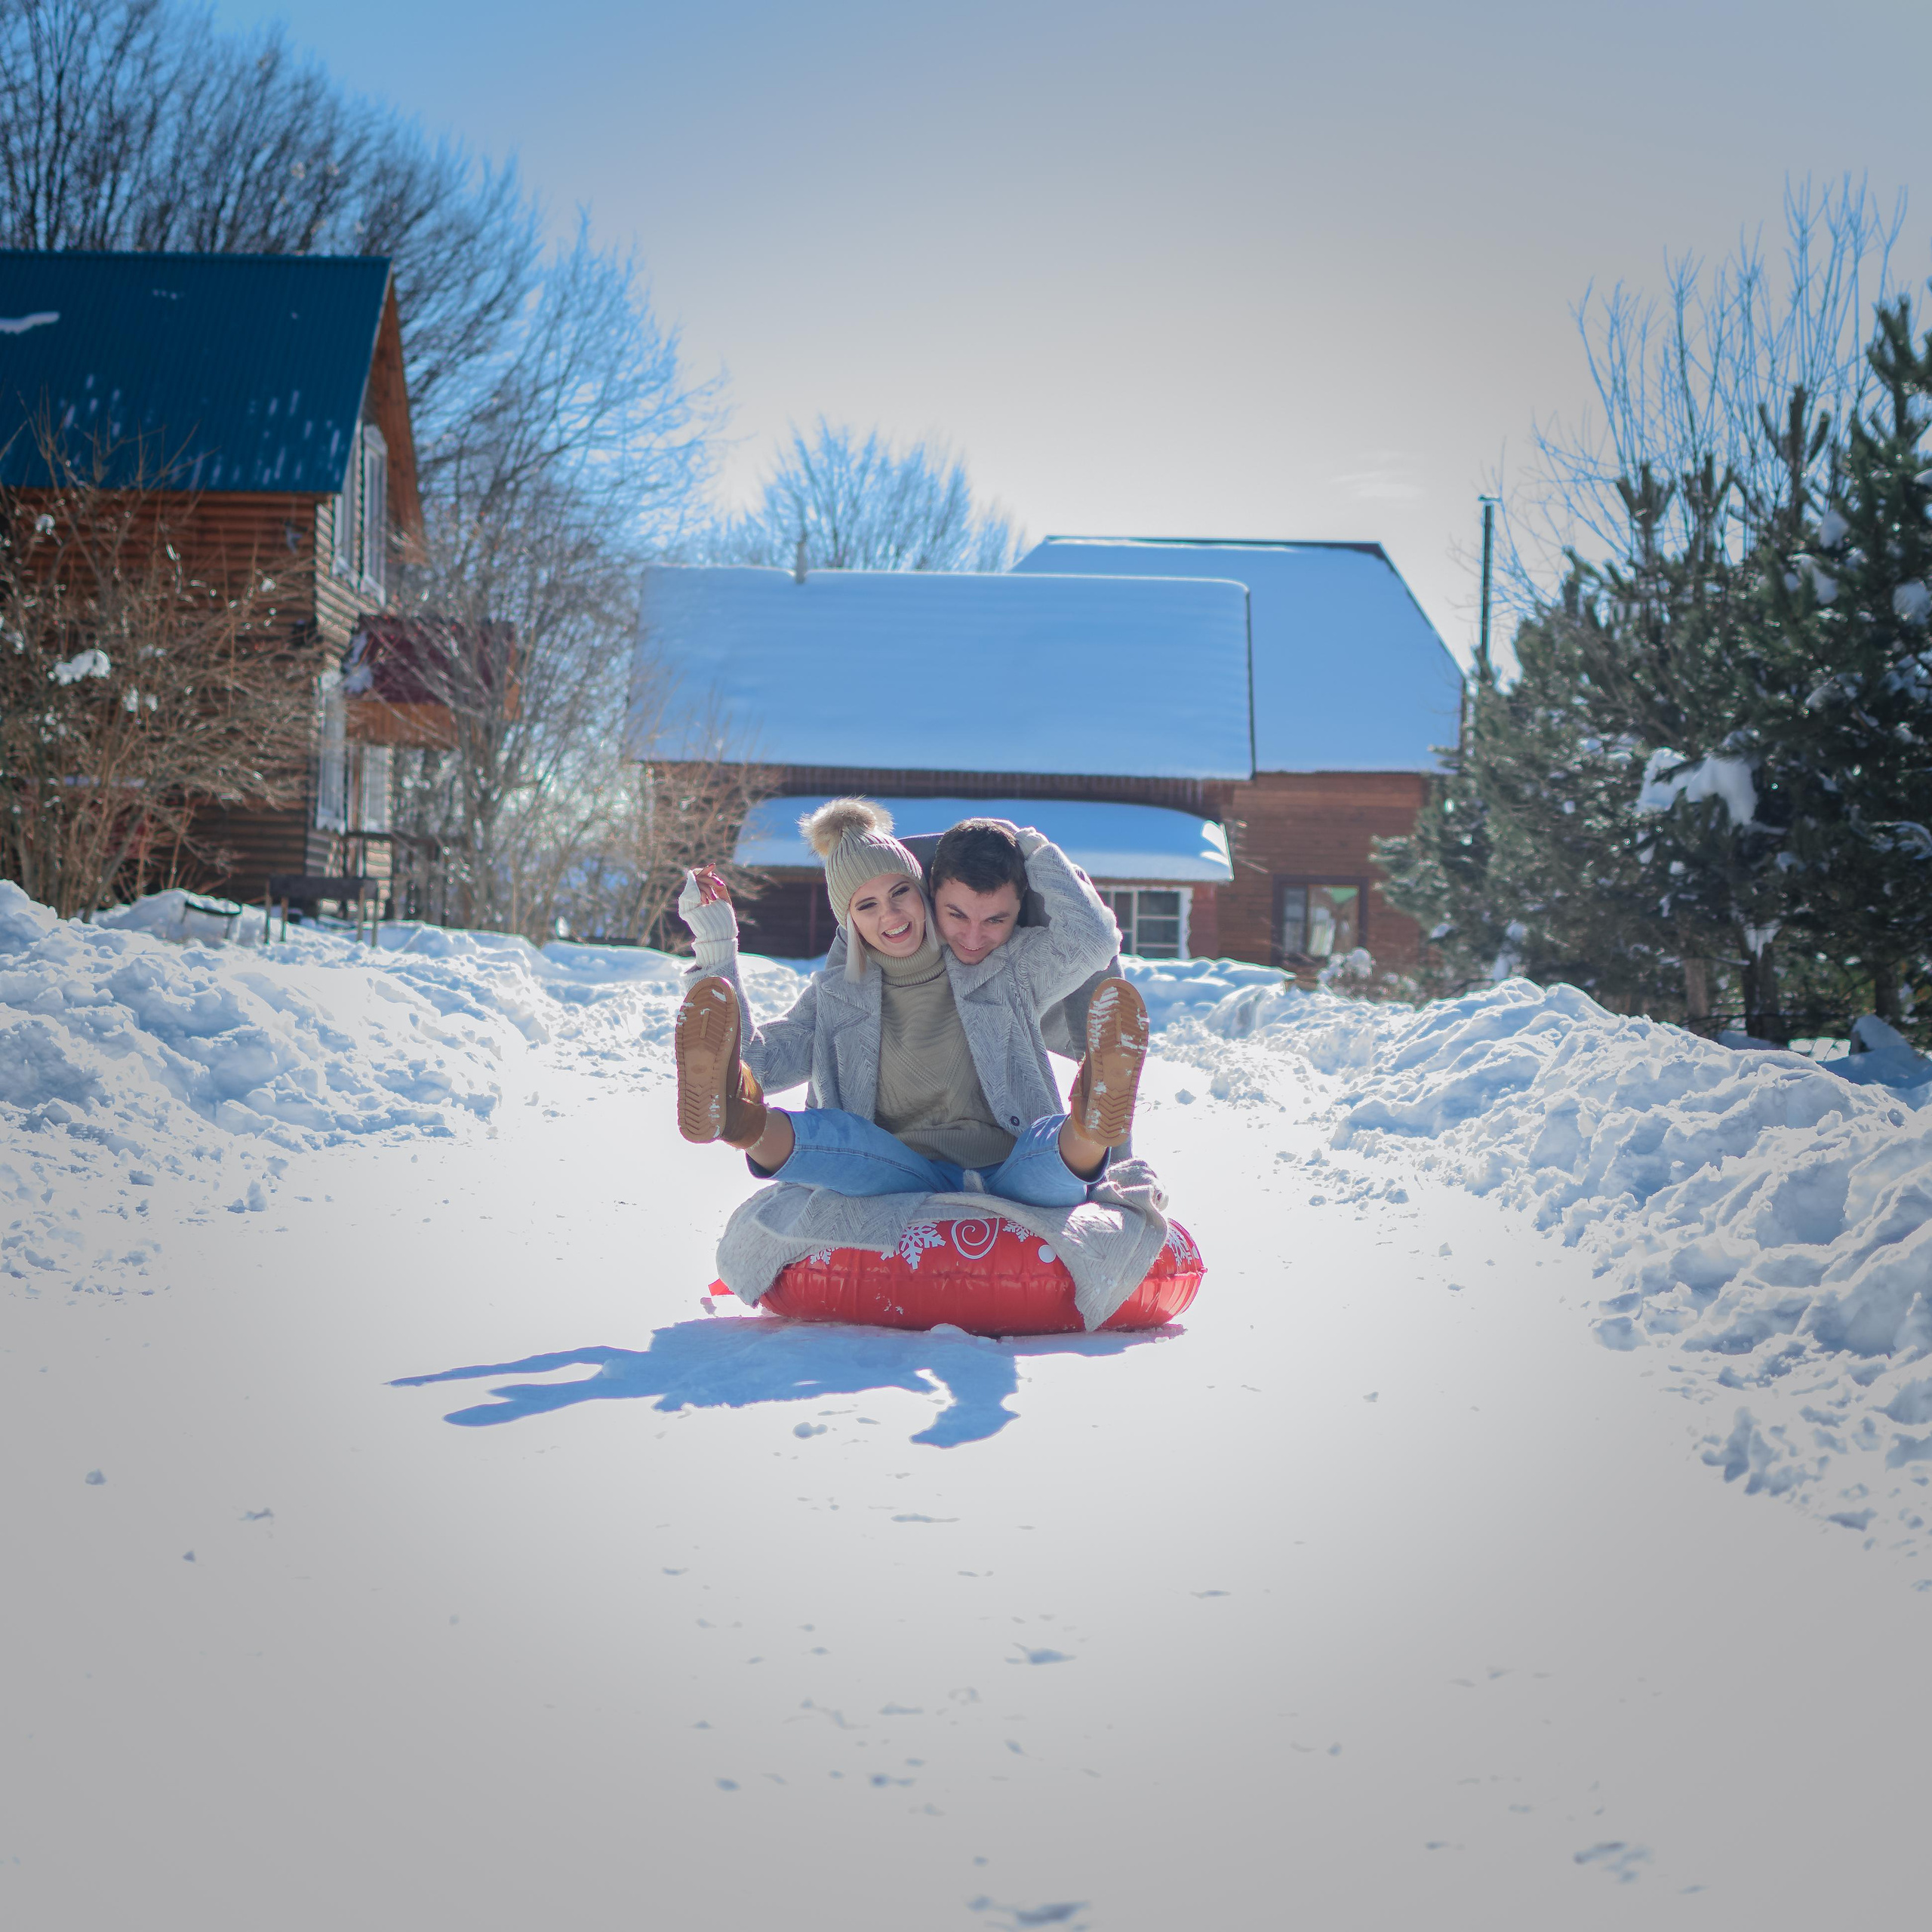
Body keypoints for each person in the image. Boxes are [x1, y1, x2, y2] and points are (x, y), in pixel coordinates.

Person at [672, 798, 1149, 1208]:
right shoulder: (835, 997)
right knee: (844, 1141)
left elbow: (1093, 939)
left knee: (1048, 1151)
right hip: (896, 1173)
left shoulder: (1006, 966)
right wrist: (718, 948)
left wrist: (1025, 845)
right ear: (850, 921)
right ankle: (743, 1122)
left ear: (922, 891)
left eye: (900, 892)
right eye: (867, 905)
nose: (891, 914)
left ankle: (1094, 1120)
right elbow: (759, 1065)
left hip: (1007, 1167)